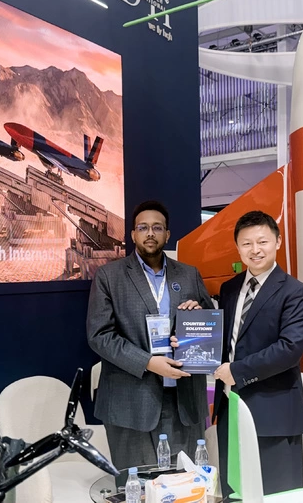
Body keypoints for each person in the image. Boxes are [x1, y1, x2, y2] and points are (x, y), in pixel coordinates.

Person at [87, 200, 213, 470]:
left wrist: (199, 314)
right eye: (143, 228)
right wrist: (148, 362)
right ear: (133, 234)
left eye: (157, 227)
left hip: (184, 402)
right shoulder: (109, 276)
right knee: (138, 486)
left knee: (184, 483)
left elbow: (209, 326)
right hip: (131, 403)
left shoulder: (189, 275)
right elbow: (100, 335)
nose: (150, 233)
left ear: (167, 234)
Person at [209, 210, 303, 496]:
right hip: (231, 406)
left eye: (262, 242)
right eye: (246, 243)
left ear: (277, 242)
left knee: (275, 494)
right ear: (237, 247)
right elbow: (228, 340)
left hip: (274, 411)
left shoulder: (296, 292)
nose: (255, 250)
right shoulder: (229, 289)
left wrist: (237, 371)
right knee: (234, 491)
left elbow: (290, 349)